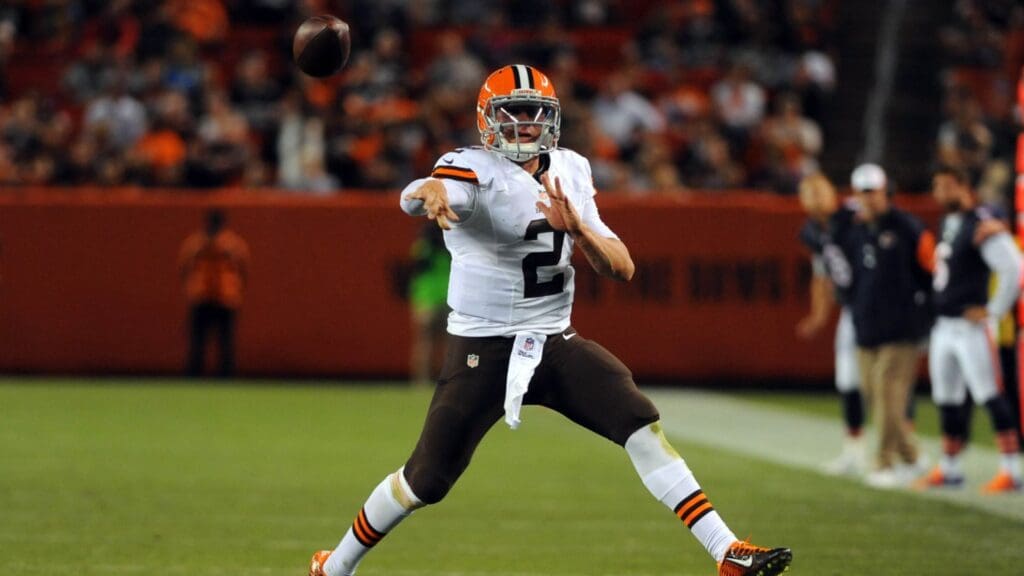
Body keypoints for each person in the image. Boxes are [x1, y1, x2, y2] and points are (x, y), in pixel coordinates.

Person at [308, 64, 792, 576]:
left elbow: (622, 267)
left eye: (534, 113)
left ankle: (726, 551)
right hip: (484, 349)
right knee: (425, 481)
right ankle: (335, 566)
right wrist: (424, 191)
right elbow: (432, 190)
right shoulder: (471, 167)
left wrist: (578, 228)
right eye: (512, 113)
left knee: (639, 422)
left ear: (552, 119)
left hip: (556, 341)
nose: (524, 124)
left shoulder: (573, 169)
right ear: (487, 120)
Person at [915, 166, 1022, 493]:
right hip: (943, 326)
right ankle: (950, 468)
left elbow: (1014, 268)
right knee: (947, 398)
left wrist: (993, 312)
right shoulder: (949, 223)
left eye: (947, 186)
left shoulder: (981, 222)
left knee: (990, 394)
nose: (941, 193)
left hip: (970, 327)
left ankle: (1011, 469)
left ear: (964, 187)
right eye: (937, 186)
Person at [846, 163, 933, 489]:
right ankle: (912, 456)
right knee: (874, 394)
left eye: (872, 192)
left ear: (886, 192)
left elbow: (930, 272)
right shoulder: (855, 230)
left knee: (887, 391)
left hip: (901, 327)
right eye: (861, 192)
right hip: (867, 327)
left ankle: (883, 462)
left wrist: (926, 319)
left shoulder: (908, 227)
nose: (867, 199)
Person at [795, 173, 866, 475]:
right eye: (808, 193)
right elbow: (821, 274)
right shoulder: (813, 231)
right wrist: (819, 314)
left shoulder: (855, 215)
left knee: (884, 383)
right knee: (848, 380)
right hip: (852, 308)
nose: (815, 198)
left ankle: (903, 453)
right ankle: (854, 451)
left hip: (880, 308)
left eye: (820, 191)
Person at [178, 208, 249, 377]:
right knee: (199, 340)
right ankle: (194, 374)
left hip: (224, 296)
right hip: (203, 295)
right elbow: (184, 267)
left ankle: (225, 375)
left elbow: (243, 269)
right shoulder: (197, 244)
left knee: (224, 341)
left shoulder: (231, 244)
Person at [408, 222, 451, 386]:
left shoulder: (423, 246)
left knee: (425, 343)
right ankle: (445, 381)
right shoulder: (449, 246)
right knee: (447, 345)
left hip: (426, 300)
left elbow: (415, 268)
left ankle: (422, 382)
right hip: (445, 298)